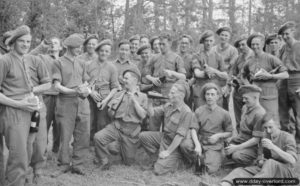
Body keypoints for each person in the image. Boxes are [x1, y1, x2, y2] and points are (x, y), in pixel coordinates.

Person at [0, 25, 41, 186]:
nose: (25, 44)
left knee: (25, 152)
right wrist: (19, 103)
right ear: (14, 42)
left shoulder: (24, 59)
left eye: (28, 41)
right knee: (18, 156)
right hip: (12, 112)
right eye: (22, 41)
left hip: (26, 112)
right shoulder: (5, 60)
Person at [219, 114, 298, 186]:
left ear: (278, 125)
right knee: (242, 170)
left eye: (270, 127)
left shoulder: (288, 137)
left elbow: (292, 160)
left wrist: (273, 147)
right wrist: (260, 161)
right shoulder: (265, 137)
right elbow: (260, 159)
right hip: (268, 171)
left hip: (286, 173)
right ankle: (225, 183)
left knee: (270, 163)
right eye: (265, 128)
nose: (268, 131)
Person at [93, 68, 147, 170]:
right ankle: (104, 161)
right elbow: (110, 115)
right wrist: (113, 106)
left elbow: (143, 116)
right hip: (117, 127)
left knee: (128, 162)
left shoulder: (143, 96)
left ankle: (120, 147)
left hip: (131, 132)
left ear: (134, 81)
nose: (123, 80)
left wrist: (134, 101)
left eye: (126, 78)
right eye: (123, 78)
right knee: (98, 137)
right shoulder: (119, 94)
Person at [52, 33, 91, 175]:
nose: (80, 49)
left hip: (82, 102)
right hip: (65, 103)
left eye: (81, 47)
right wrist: (73, 91)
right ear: (69, 47)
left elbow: (86, 80)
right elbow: (57, 86)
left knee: (83, 134)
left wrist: (85, 89)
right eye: (77, 47)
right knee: (65, 134)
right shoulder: (58, 62)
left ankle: (78, 164)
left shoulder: (81, 62)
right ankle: (63, 163)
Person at [139, 80, 196, 175]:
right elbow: (151, 113)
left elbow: (179, 136)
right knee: (143, 136)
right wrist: (149, 100)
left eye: (172, 93)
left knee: (158, 171)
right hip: (164, 138)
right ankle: (156, 160)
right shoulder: (168, 105)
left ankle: (180, 161)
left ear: (181, 96)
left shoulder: (186, 112)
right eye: (170, 92)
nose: (169, 94)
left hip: (175, 144)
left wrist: (168, 152)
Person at [180, 83, 233, 174]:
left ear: (217, 96)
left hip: (214, 144)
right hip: (200, 140)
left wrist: (218, 135)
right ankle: (197, 159)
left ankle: (207, 159)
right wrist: (197, 145)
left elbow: (230, 132)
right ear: (204, 96)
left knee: (210, 170)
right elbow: (193, 129)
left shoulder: (224, 113)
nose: (210, 97)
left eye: (212, 94)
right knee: (185, 145)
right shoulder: (199, 110)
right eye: (207, 94)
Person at [243, 33, 288, 124]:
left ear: (263, 45)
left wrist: (270, 76)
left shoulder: (271, 58)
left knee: (271, 121)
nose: (255, 46)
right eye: (253, 44)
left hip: (269, 95)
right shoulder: (249, 61)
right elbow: (243, 75)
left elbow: (285, 74)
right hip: (255, 95)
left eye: (257, 44)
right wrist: (248, 86)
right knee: (256, 120)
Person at [145, 33, 186, 131]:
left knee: (168, 127)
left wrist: (172, 73)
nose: (161, 46)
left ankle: (165, 146)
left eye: (163, 44)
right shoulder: (154, 58)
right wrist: (152, 79)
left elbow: (183, 76)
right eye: (160, 44)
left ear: (170, 44)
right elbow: (145, 73)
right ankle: (152, 145)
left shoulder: (177, 58)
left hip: (169, 97)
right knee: (153, 125)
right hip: (155, 96)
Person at [30, 37, 63, 154]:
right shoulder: (42, 57)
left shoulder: (64, 60)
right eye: (51, 43)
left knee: (59, 125)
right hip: (46, 96)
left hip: (61, 96)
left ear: (61, 47)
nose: (53, 45)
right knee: (44, 124)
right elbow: (29, 55)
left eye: (55, 43)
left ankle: (56, 149)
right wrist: (42, 45)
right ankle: (42, 150)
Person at [87, 39, 120, 142]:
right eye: (102, 51)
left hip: (104, 99)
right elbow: (83, 82)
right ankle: (88, 143)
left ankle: (100, 143)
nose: (104, 53)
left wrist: (106, 101)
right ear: (97, 51)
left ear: (110, 53)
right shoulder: (88, 65)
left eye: (106, 51)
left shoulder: (112, 68)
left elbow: (115, 87)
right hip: (89, 98)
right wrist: (91, 92)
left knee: (102, 123)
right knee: (89, 121)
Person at [225, 84, 266, 166]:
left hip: (254, 146)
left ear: (255, 98)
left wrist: (236, 147)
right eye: (243, 98)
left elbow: (256, 140)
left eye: (246, 98)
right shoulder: (245, 107)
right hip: (241, 140)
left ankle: (256, 162)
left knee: (237, 156)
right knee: (226, 149)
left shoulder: (260, 114)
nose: (243, 100)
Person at [278, 21, 300, 152]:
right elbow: (279, 64)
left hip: (297, 79)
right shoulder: (282, 48)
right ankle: (286, 141)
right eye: (283, 35)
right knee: (283, 113)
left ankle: (298, 143)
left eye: (287, 33)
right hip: (284, 80)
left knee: (298, 113)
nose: (285, 37)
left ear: (293, 32)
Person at [192, 30, 228, 110]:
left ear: (214, 41)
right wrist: (205, 72)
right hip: (200, 92)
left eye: (211, 41)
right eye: (206, 41)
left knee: (216, 116)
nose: (208, 43)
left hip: (214, 91)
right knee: (200, 116)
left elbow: (225, 75)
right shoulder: (196, 56)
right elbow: (197, 73)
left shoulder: (219, 57)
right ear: (203, 41)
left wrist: (214, 71)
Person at [229, 34, 253, 131]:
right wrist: (232, 81)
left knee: (251, 116)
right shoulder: (238, 58)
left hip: (251, 90)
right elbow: (233, 72)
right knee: (239, 118)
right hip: (238, 91)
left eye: (244, 44)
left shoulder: (255, 56)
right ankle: (240, 137)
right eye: (240, 45)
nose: (241, 47)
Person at [212, 26, 238, 110]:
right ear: (219, 36)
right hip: (214, 80)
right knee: (213, 103)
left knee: (224, 105)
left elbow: (232, 69)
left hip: (225, 81)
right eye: (222, 35)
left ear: (229, 37)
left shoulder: (233, 50)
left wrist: (228, 85)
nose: (223, 37)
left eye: (226, 35)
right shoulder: (213, 49)